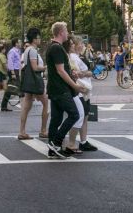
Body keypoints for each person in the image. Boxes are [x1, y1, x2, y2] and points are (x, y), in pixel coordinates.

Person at [45, 22, 87, 159]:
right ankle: (56, 142)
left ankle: (52, 149)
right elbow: (61, 71)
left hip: (55, 89)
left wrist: (72, 74)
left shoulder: (53, 47)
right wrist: (75, 86)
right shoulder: (57, 48)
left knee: (56, 119)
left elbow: (62, 70)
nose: (68, 33)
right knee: (74, 115)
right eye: (66, 30)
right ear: (60, 32)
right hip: (61, 89)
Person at [18, 28, 49, 141]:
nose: (40, 39)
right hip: (35, 82)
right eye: (39, 37)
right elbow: (35, 67)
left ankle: (22, 131)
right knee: (45, 103)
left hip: (29, 82)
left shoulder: (27, 50)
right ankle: (43, 130)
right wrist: (45, 67)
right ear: (35, 39)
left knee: (26, 106)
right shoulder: (33, 50)